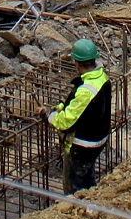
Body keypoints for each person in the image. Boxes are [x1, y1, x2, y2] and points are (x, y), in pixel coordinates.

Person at [47, 40, 112, 194]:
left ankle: (77, 210)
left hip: (83, 145)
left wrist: (49, 116)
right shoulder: (101, 78)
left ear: (76, 62)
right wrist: (62, 107)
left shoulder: (85, 90)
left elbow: (66, 123)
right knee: (88, 177)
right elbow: (83, 107)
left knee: (74, 186)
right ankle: (92, 202)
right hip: (98, 139)